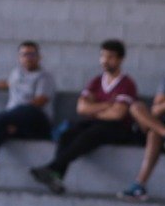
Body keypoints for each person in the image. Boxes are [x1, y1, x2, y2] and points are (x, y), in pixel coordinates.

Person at [31, 39, 140, 195]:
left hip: (119, 129)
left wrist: (94, 109)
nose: (105, 60)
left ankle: (52, 168)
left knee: (92, 133)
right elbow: (81, 108)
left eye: (110, 57)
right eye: (102, 56)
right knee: (68, 133)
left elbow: (118, 114)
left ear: (120, 59)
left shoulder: (127, 83)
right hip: (95, 122)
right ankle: (56, 176)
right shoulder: (96, 81)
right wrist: (107, 105)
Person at [0, 40, 57, 188]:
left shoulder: (44, 77)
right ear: (19, 57)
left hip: (36, 123)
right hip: (11, 122)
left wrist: (15, 121)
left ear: (39, 57)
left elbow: (40, 101)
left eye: (32, 54)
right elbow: (6, 83)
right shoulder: (16, 73)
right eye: (24, 54)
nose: (28, 57)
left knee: (26, 109)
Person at [120, 48, 165, 200]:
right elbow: (153, 111)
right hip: (161, 125)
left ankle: (139, 184)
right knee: (136, 107)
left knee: (154, 135)